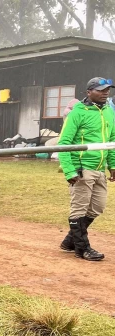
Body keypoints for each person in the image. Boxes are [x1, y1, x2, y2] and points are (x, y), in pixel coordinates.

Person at [57, 77, 115, 261]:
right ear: (89, 92)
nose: (106, 93)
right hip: (81, 168)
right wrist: (69, 170)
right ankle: (82, 249)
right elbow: (64, 143)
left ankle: (69, 241)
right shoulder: (77, 113)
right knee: (79, 210)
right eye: (101, 90)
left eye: (107, 90)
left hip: (99, 169)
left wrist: (112, 165)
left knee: (97, 207)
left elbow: (111, 140)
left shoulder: (108, 112)